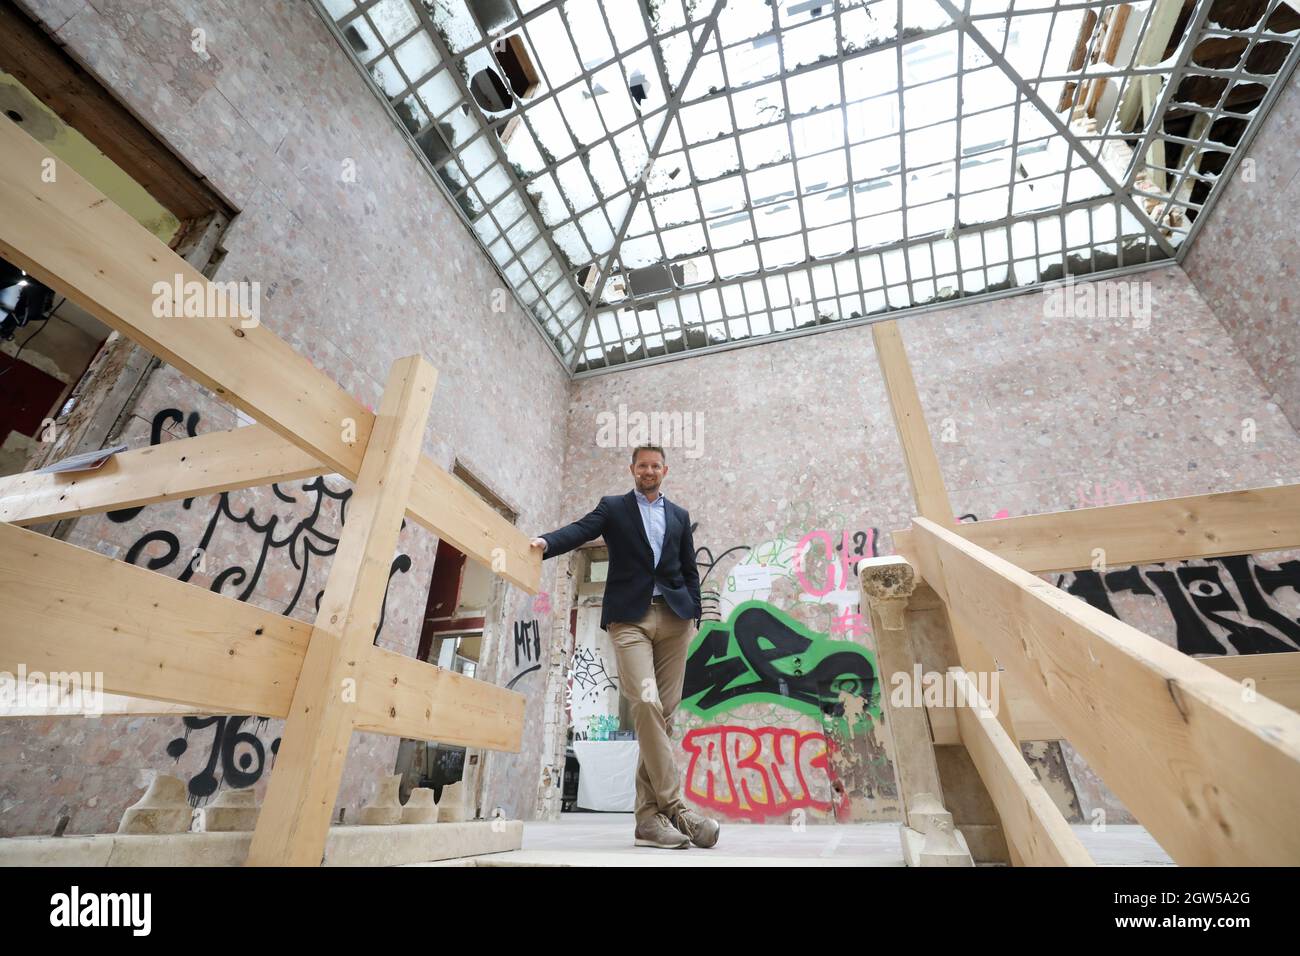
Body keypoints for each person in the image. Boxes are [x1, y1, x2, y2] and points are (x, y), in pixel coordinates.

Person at [530, 444, 720, 850]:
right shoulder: (613, 507)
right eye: (642, 465)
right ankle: (674, 808)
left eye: (655, 465)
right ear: (632, 469)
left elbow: (689, 569)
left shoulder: (679, 516)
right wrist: (546, 543)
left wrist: (695, 614)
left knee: (664, 718)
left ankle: (648, 824)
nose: (648, 471)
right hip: (630, 619)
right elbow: (581, 530)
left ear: (664, 470)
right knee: (647, 705)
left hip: (674, 619)